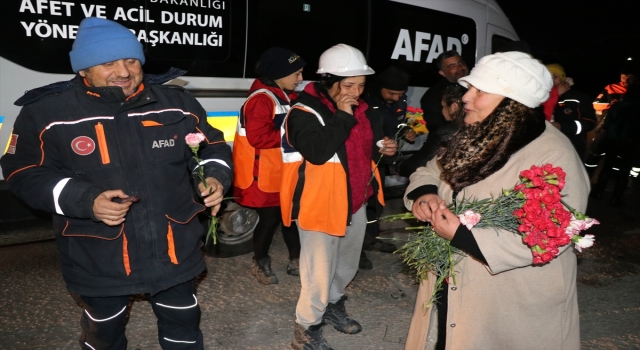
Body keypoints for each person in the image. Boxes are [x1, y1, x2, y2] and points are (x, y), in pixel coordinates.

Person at [0, 18, 233, 349]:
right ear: (83, 69)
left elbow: (213, 148)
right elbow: (21, 172)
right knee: (103, 335)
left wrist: (214, 176)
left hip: (173, 247)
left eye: (131, 60)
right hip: (98, 254)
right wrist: (85, 199)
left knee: (183, 326)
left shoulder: (176, 103)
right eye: (108, 62)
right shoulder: (46, 112)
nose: (123, 71)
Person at [404, 51, 588, 349]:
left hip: (506, 298)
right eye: (470, 88)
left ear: (512, 102)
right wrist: (426, 193)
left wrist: (463, 237)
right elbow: (430, 169)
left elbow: (553, 232)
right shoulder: (478, 133)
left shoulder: (552, 154)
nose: (466, 97)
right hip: (454, 281)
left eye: (480, 90)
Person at [280, 44, 397, 350]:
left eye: (360, 85)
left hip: (354, 199)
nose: (356, 92)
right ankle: (305, 329)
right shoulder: (302, 112)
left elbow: (359, 152)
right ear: (327, 81)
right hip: (320, 204)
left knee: (346, 265)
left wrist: (382, 149)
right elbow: (318, 152)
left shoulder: (361, 108)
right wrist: (343, 116)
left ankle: (333, 306)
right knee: (318, 273)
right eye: (348, 85)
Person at [232, 47, 304, 284]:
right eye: (297, 74)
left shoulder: (284, 95)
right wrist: (296, 136)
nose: (300, 79)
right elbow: (259, 138)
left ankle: (297, 260)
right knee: (271, 218)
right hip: (261, 174)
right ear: (279, 74)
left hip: (280, 171)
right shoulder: (262, 99)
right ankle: (260, 261)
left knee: (290, 216)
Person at [359, 66, 413, 269]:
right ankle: (357, 250)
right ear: (380, 87)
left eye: (400, 94)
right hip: (363, 161)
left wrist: (406, 130)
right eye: (391, 93)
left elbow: (398, 123)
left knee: (376, 203)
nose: (396, 97)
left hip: (381, 160)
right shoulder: (365, 102)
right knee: (360, 205)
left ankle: (370, 238)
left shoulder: (399, 100)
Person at [396, 84, 466, 177]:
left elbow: (416, 165)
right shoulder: (483, 127)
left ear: (454, 107)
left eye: (443, 106)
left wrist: (398, 167)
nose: (442, 111)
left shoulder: (448, 132)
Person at [591, 84, 640, 206]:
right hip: (632, 143)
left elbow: (607, 125)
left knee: (607, 167)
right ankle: (616, 199)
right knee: (624, 172)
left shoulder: (617, 106)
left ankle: (598, 193)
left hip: (613, 141)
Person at [586, 63, 638, 173]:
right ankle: (588, 173)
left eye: (629, 78)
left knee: (619, 157)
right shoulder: (611, 87)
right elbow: (596, 104)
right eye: (623, 77)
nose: (625, 80)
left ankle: (613, 178)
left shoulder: (636, 92)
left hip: (627, 130)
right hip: (607, 126)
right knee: (597, 150)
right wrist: (612, 105)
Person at [546, 63, 597, 160]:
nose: (551, 79)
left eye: (555, 76)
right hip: (545, 146)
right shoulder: (539, 97)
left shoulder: (579, 97)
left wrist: (562, 126)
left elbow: (590, 121)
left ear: (562, 78)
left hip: (571, 145)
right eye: (547, 76)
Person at [419, 50, 469, 133]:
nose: (460, 68)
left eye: (461, 63)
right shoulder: (432, 95)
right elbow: (436, 127)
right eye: (452, 66)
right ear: (443, 73)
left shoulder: (477, 87)